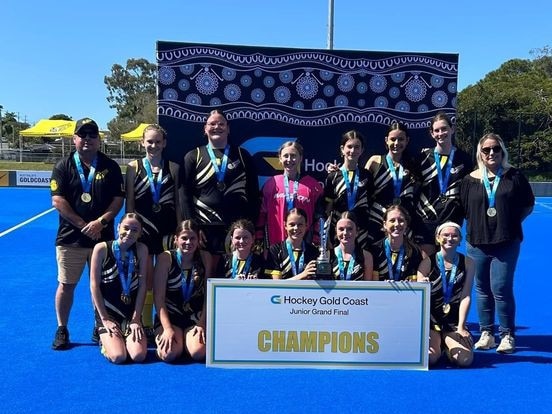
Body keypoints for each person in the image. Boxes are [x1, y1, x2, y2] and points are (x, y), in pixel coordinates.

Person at [50, 118, 124, 350]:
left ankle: (99, 324)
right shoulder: (63, 166)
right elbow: (58, 201)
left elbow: (118, 200)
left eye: (92, 135)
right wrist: (84, 225)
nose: (88, 139)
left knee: (102, 285)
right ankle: (62, 328)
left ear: (99, 140)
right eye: (83, 135)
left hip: (102, 240)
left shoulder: (110, 166)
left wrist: (100, 223)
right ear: (74, 139)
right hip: (70, 239)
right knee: (66, 285)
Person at [461, 133, 534, 354]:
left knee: (501, 288)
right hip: (477, 243)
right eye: (486, 150)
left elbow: (528, 205)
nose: (491, 153)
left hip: (506, 241)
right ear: (480, 153)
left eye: (495, 149)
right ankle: (487, 333)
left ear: (502, 152)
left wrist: (509, 222)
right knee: (481, 289)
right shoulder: (469, 179)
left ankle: (507, 334)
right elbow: (465, 209)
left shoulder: (515, 177)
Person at [180, 109, 259, 278]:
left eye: (221, 124)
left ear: (228, 128)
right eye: (212, 124)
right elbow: (184, 193)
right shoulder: (193, 156)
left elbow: (253, 194)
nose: (217, 127)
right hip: (204, 229)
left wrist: (250, 229)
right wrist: (193, 227)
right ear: (205, 129)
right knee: (204, 277)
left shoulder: (242, 156)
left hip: (236, 230)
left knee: (233, 275)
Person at [125, 124, 181, 337]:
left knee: (166, 277)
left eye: (158, 142)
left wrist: (178, 231)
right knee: (146, 277)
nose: (154, 145)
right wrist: (131, 231)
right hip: (143, 232)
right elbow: (130, 201)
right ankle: (145, 321)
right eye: (149, 141)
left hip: (167, 231)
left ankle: (165, 318)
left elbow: (177, 203)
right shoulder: (133, 168)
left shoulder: (173, 168)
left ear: (164, 143)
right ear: (142, 142)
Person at [89, 213, 148, 363]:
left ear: (140, 233)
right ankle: (102, 336)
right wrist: (104, 319)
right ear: (118, 227)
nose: (129, 233)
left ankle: (122, 336)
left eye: (135, 230)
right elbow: (94, 286)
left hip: (129, 314)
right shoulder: (101, 249)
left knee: (138, 356)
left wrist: (136, 319)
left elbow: (142, 286)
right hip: (108, 313)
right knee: (118, 357)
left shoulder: (141, 250)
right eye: (126, 228)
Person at [412, 112, 472, 255]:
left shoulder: (464, 159)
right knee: (427, 264)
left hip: (451, 219)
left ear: (452, 129)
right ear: (432, 133)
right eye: (437, 130)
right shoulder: (423, 158)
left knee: (447, 263)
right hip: (425, 219)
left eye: (444, 129)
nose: (441, 133)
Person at [417, 222, 475, 367]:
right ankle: (440, 344)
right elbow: (420, 297)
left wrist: (461, 326)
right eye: (446, 235)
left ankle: (447, 342)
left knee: (465, 360)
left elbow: (466, 296)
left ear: (460, 239)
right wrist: (422, 284)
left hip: (453, 322)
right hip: (432, 322)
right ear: (437, 238)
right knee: (430, 359)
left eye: (454, 236)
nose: (450, 238)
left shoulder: (468, 263)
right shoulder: (427, 262)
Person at [153, 220, 206, 362]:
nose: (188, 242)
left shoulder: (205, 258)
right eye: (184, 238)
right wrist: (167, 328)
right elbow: (158, 298)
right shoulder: (165, 258)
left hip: (194, 317)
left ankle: (184, 341)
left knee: (199, 353)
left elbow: (209, 296)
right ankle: (178, 340)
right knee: (169, 354)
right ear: (176, 240)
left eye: (193, 238)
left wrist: (202, 323)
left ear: (199, 239)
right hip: (170, 317)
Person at [257, 141, 323, 250]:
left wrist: (316, 240)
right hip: (275, 245)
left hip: (305, 246)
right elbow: (261, 214)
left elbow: (319, 217)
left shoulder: (313, 185)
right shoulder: (271, 183)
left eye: (293, 156)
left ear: (300, 158)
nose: (289, 160)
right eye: (285, 156)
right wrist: (259, 238)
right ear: (280, 158)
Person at [365, 122, 417, 245]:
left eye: (401, 139)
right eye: (393, 139)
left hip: (402, 221)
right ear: (386, 140)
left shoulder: (414, 164)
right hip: (378, 218)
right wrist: (336, 171)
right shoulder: (375, 161)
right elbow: (358, 180)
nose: (397, 143)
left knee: (403, 256)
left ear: (407, 140)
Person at [323, 131, 373, 249]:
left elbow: (370, 202)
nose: (353, 151)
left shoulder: (367, 175)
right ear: (342, 149)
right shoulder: (333, 176)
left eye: (357, 147)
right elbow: (328, 208)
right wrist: (327, 235)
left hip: (361, 230)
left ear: (362, 150)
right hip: (339, 231)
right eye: (349, 146)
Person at [371, 205, 425, 282]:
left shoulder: (414, 251)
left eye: (401, 220)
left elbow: (415, 283)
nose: (397, 224)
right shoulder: (375, 249)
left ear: (406, 224)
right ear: (385, 224)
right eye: (392, 220)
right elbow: (373, 283)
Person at [264, 208, 319, 280]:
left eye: (300, 225)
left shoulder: (313, 251)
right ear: (285, 225)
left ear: (306, 225)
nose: (296, 228)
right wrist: (302, 275)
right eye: (292, 224)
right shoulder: (275, 250)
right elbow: (277, 284)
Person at [329, 211, 373, 280]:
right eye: (341, 229)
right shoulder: (328, 255)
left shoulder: (366, 257)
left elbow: (367, 287)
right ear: (336, 232)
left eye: (350, 229)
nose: (345, 233)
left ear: (357, 232)